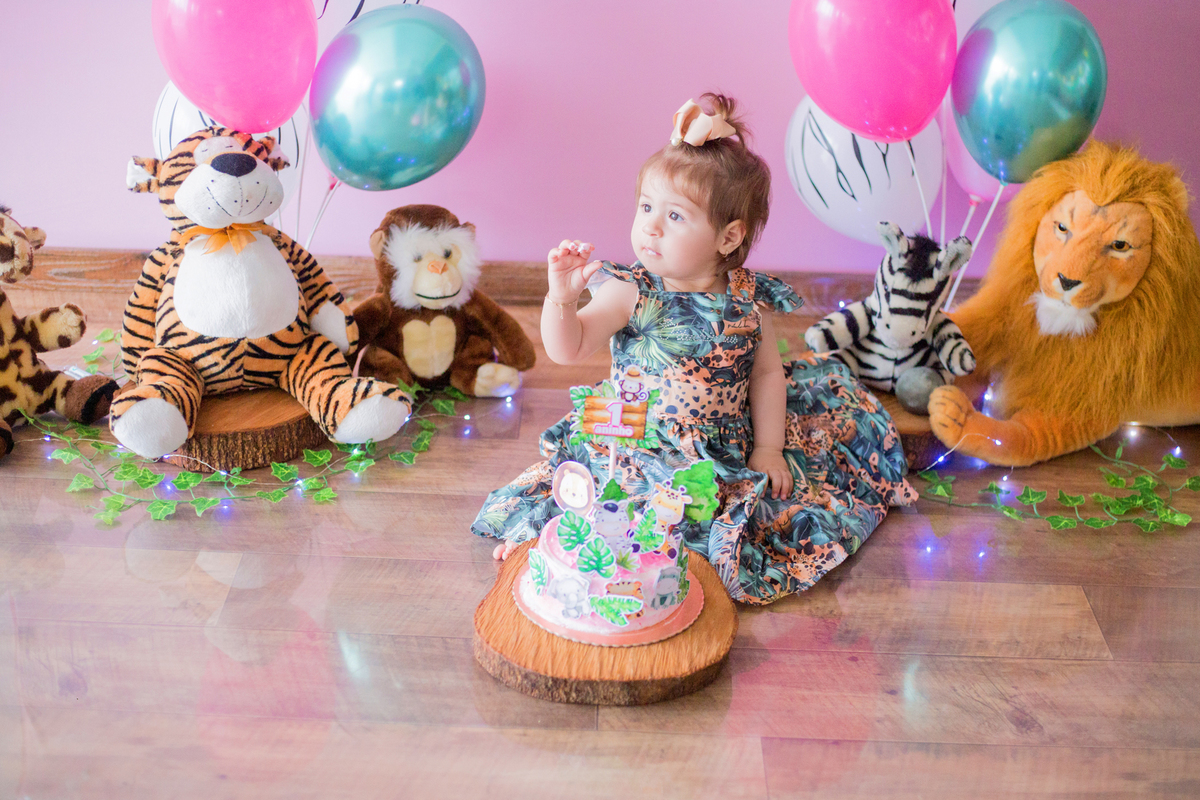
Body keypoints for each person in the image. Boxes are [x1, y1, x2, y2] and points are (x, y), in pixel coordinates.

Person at [472, 94, 915, 604]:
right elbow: (567, 349)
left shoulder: (748, 299)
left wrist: (768, 447)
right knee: (610, 506)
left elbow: (767, 376)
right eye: (645, 207)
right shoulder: (629, 291)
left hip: (719, 447)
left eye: (675, 216)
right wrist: (561, 300)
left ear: (729, 237)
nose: (651, 226)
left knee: (728, 512)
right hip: (638, 440)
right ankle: (557, 547)